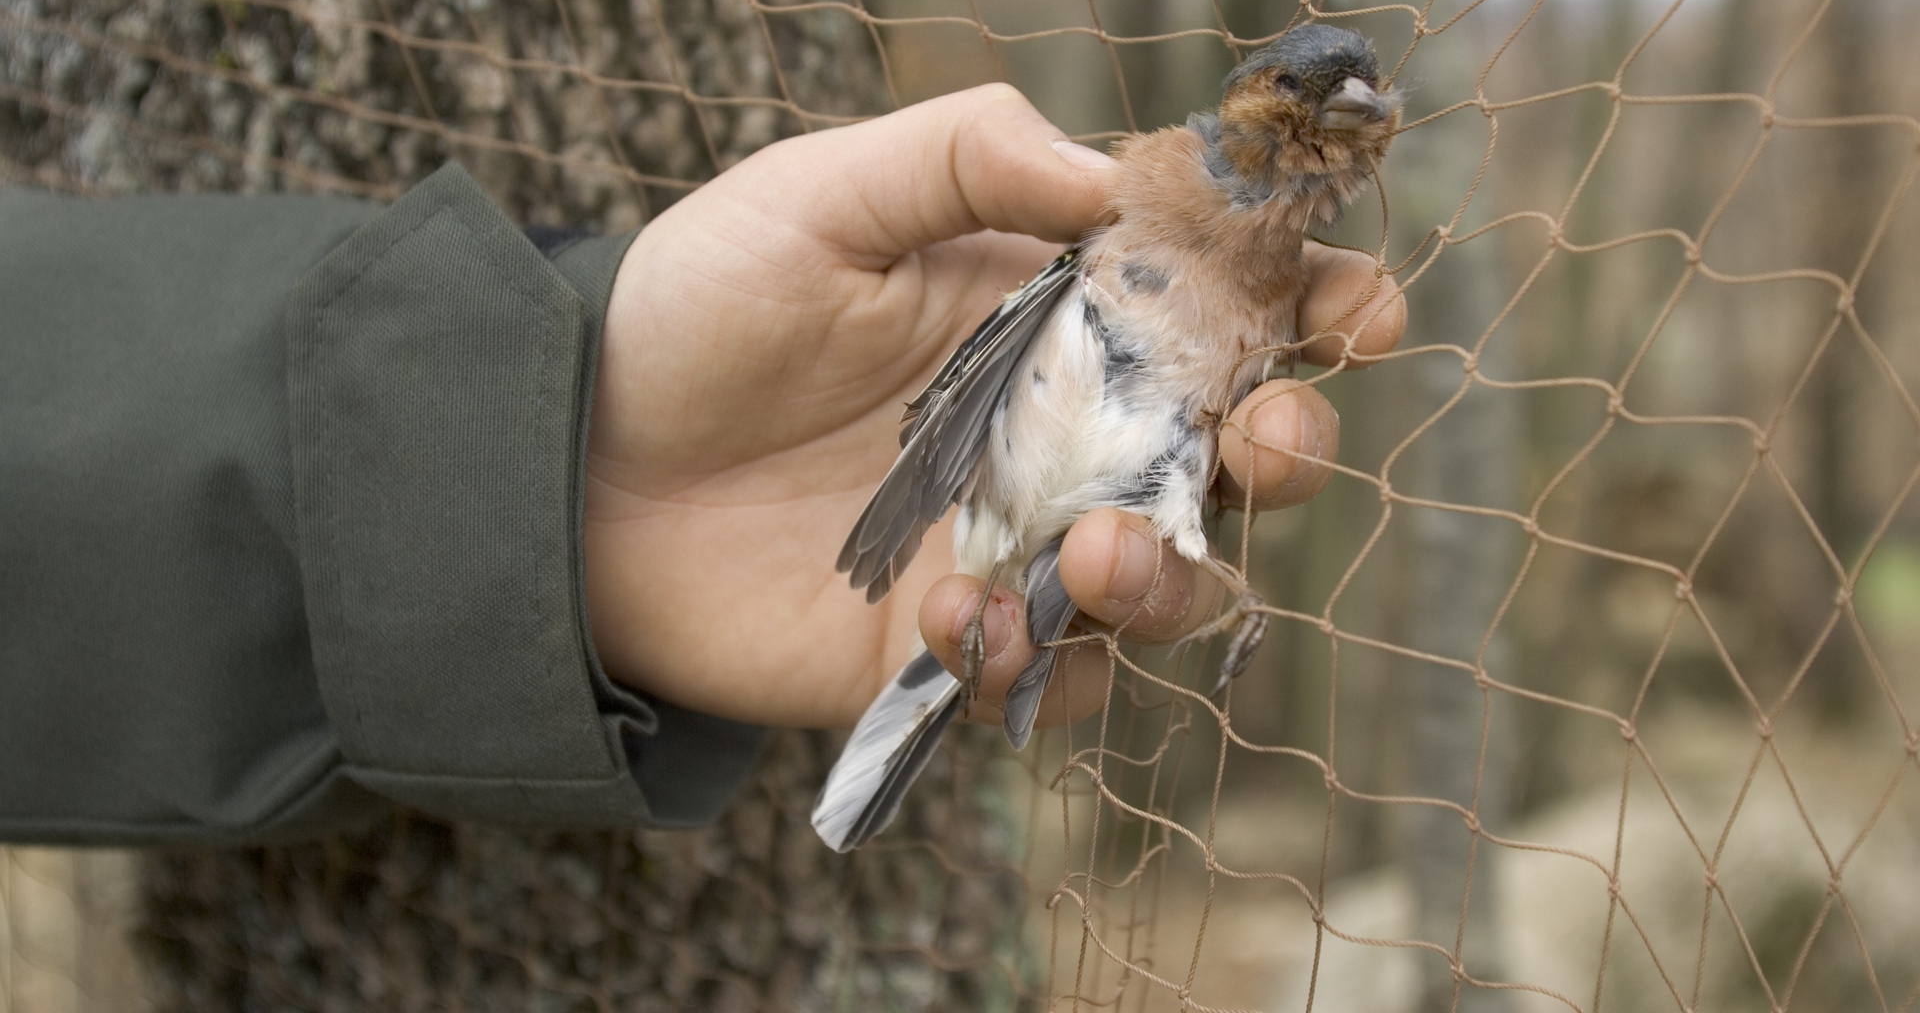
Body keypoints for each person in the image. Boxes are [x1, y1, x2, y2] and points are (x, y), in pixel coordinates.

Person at [0, 85, 1404, 844]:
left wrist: (573, 431)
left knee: (1124, 556)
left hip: (1036, 499)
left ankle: (982, 658)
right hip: (993, 464)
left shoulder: (1256, 266)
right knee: (1055, 563)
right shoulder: (1130, 209)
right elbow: (1028, 328)